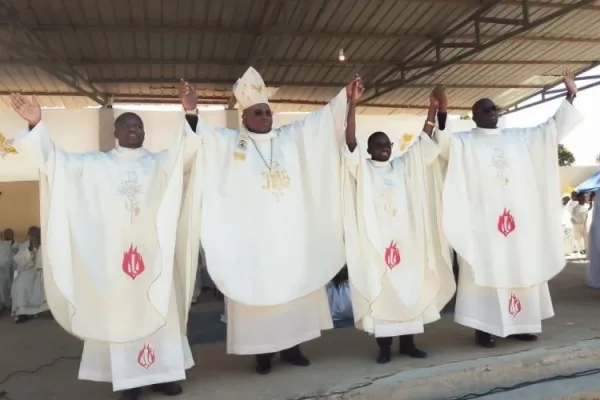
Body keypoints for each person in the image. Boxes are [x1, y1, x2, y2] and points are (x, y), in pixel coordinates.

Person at [8, 93, 203, 399]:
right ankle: (130, 381)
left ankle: (162, 374)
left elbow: (187, 152)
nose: (134, 130)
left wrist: (190, 113)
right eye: (126, 125)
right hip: (115, 261)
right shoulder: (95, 165)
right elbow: (55, 162)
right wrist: (36, 124)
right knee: (122, 315)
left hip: (154, 258)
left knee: (160, 311)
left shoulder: (159, 164)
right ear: (115, 133)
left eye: (138, 125)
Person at [178, 67, 357, 375]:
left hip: (289, 238)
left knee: (293, 294)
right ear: (244, 117)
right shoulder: (232, 144)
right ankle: (262, 355)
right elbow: (202, 136)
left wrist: (347, 99)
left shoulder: (289, 138)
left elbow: (320, 123)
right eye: (258, 112)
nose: (265, 117)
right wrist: (191, 109)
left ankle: (293, 348)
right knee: (257, 296)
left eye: (268, 111)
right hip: (255, 243)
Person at [432, 70, 583, 348]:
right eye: (486, 109)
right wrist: (442, 111)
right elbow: (441, 144)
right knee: (487, 274)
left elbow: (550, 130)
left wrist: (570, 95)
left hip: (518, 225)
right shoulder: (464, 142)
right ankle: (484, 328)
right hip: (484, 226)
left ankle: (519, 325)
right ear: (474, 115)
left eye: (495, 108)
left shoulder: (518, 138)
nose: (493, 112)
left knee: (519, 269)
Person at [342, 86, 455, 363]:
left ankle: (408, 343)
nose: (384, 148)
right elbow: (349, 141)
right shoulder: (363, 169)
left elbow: (422, 144)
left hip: (407, 243)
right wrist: (352, 105)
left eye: (387, 145)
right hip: (377, 245)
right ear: (369, 149)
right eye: (378, 145)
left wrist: (432, 110)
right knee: (384, 294)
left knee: (409, 291)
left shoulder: (403, 166)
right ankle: (384, 347)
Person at [11, 226, 49, 323]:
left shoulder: (47, 243)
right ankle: (23, 313)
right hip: (29, 271)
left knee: (46, 280)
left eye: (35, 234)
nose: (33, 237)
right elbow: (19, 262)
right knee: (20, 281)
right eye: (31, 235)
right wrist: (30, 250)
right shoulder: (25, 245)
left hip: (43, 271)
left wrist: (39, 247)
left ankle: (47, 309)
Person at [0, 228, 16, 314]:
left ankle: (8, 304)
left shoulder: (14, 245)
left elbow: (8, 260)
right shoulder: (4, 245)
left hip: (10, 271)